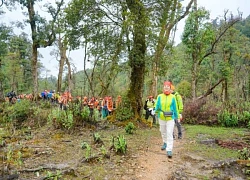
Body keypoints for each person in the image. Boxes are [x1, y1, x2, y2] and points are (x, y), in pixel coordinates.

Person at [154, 81, 179, 158]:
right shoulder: (159, 96)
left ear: (170, 88)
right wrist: (154, 111)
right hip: (161, 117)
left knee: (169, 132)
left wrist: (177, 117)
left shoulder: (173, 97)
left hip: (170, 118)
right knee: (162, 131)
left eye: (168, 87)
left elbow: (175, 108)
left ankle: (169, 150)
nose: (166, 88)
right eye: (165, 87)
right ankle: (165, 142)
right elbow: (157, 105)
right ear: (163, 88)